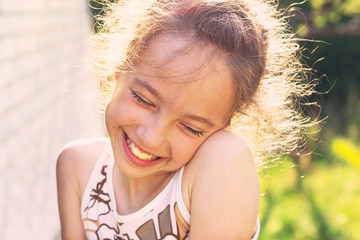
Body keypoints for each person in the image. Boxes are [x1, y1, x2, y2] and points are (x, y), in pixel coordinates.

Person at [56, 0, 316, 239]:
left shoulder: (223, 161)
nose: (152, 137)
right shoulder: (77, 168)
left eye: (190, 128)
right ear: (118, 72)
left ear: (222, 127)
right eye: (143, 99)